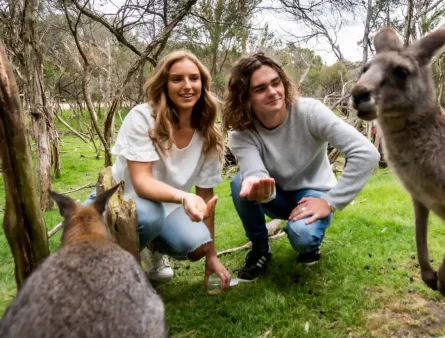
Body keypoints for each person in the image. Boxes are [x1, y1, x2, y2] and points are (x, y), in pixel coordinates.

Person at [223, 52, 380, 282]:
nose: (273, 92)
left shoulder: (310, 112)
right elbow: (254, 171)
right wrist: (255, 184)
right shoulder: (241, 133)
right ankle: (260, 249)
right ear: (245, 97)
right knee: (239, 183)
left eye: (276, 83)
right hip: (274, 196)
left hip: (313, 193)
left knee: (303, 237)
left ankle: (309, 245)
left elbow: (366, 153)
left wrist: (330, 201)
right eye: (260, 89)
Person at [83, 50, 231, 289]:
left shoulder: (209, 134)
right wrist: (184, 196)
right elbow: (141, 183)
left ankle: (151, 248)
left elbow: (206, 198)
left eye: (194, 78)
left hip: (167, 207)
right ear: (164, 84)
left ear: (203, 84)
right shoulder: (142, 117)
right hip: (121, 200)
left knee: (199, 243)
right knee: (150, 215)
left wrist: (211, 256)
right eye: (177, 79)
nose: (187, 86)